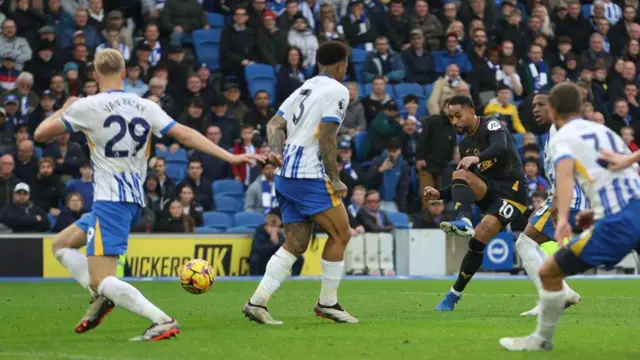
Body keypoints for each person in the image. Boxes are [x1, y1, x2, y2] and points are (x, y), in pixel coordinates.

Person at [34, 49, 263, 341]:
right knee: (61, 245)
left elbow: (41, 134)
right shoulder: (144, 105)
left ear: (94, 73)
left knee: (101, 278)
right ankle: (104, 296)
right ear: (123, 72)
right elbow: (186, 134)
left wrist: (64, 107)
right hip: (129, 198)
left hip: (111, 201)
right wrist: (230, 157)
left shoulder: (87, 106)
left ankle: (160, 320)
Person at [499, 83, 640, 351]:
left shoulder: (562, 136)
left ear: (553, 108)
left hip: (621, 220)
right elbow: (616, 177)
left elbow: (564, 174)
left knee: (550, 272)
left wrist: (562, 219)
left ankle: (541, 340)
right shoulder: (604, 130)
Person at [243, 41, 357, 325]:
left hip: (285, 176)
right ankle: (327, 302)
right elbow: (328, 138)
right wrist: (335, 178)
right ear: (341, 63)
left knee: (296, 243)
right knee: (342, 233)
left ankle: (257, 302)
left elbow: (273, 125)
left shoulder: (304, 87)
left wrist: (275, 151)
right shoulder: (337, 90)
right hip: (308, 175)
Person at [423, 95, 529, 311]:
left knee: (480, 238)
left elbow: (501, 147)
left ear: (472, 111)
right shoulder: (465, 146)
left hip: (513, 193)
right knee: (460, 173)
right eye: (451, 117)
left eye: (458, 116)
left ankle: (453, 295)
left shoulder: (491, 124)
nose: (454, 122)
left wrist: (478, 158)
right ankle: (463, 220)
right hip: (489, 192)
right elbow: (463, 183)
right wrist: (439, 194)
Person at [515, 92, 584, 316]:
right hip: (568, 195)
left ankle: (550, 299)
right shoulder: (556, 131)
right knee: (532, 243)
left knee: (524, 243)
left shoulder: (560, 131)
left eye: (540, 105)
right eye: (533, 105)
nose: (535, 109)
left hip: (566, 196)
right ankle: (563, 291)